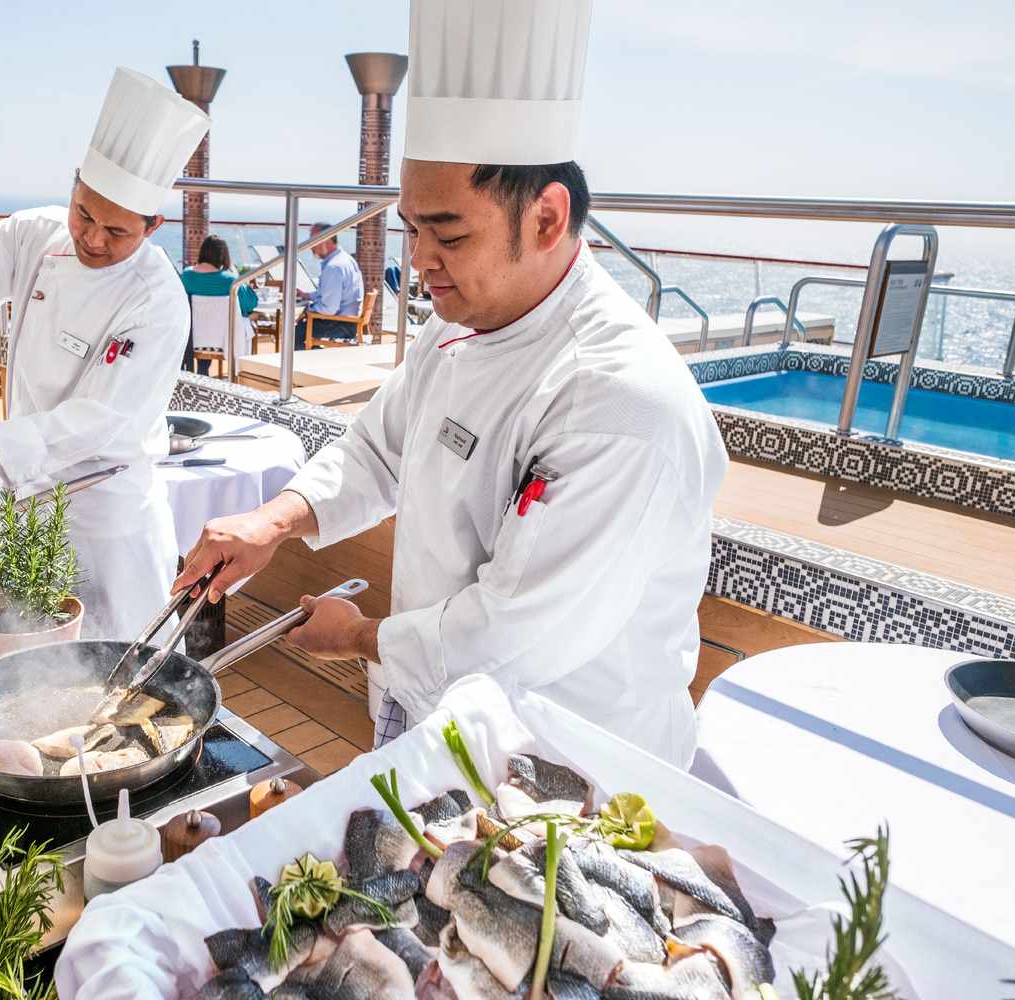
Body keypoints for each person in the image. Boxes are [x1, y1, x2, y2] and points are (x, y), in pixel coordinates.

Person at [173, 0, 728, 767]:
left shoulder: (618, 400)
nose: (421, 260)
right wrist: (273, 521)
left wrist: (360, 637)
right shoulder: (456, 323)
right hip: (433, 706)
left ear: (546, 218)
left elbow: (515, 634)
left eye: (450, 234)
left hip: (563, 760)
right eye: (411, 229)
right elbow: (377, 451)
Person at [0, 67, 209, 642]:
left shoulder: (158, 299)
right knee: (29, 657)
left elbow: (100, 419)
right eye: (84, 213)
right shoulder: (35, 235)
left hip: (106, 518)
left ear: (153, 225)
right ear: (74, 186)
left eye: (117, 231)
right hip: (25, 500)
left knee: (125, 665)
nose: (92, 239)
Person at [179, 234, 257, 374]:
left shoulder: (186, 276)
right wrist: (233, 271)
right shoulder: (231, 280)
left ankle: (203, 371)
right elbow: (250, 304)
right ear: (223, 256)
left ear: (202, 252)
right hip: (225, 341)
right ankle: (242, 373)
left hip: (192, 339)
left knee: (204, 326)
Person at [293, 222, 363, 349]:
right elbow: (333, 294)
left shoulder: (334, 267)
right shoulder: (346, 259)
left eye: (313, 241)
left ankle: (305, 360)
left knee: (297, 332)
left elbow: (329, 309)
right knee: (303, 325)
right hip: (350, 323)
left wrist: (308, 310)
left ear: (326, 240)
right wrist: (307, 295)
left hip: (341, 326)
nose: (311, 246)